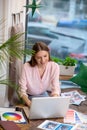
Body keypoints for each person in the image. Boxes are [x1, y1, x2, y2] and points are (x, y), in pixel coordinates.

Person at [18, 41, 61, 107]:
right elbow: (22, 90)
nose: (43, 60)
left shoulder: (54, 66)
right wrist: (29, 104)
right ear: (34, 57)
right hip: (29, 97)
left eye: (45, 56)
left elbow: (56, 88)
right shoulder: (26, 67)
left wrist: (54, 101)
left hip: (43, 95)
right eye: (39, 58)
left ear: (48, 53)